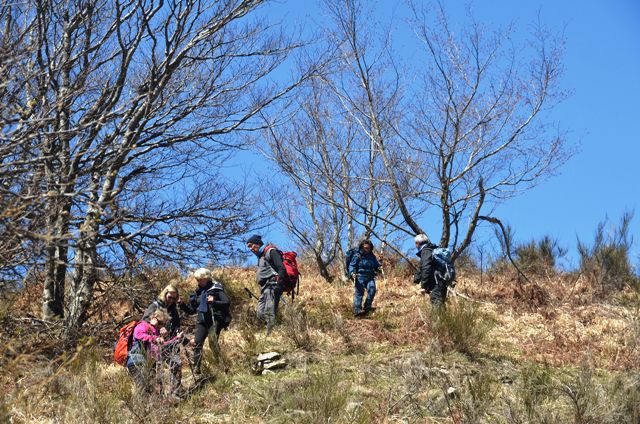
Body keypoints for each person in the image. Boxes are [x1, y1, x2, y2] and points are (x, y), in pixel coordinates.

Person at [181, 268, 231, 377]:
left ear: (207, 278)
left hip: (215, 319)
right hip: (202, 320)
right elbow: (192, 310)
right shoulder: (198, 292)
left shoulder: (216, 289)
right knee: (197, 343)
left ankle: (221, 364)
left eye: (201, 279)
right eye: (197, 280)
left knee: (212, 341)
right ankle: (196, 368)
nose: (199, 282)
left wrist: (214, 302)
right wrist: (182, 305)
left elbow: (227, 302)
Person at [142, 282, 186, 396]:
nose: (171, 300)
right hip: (155, 343)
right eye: (170, 297)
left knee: (176, 364)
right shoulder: (155, 306)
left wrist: (183, 339)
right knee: (155, 369)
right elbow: (144, 321)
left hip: (171, 342)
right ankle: (156, 396)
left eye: (174, 298)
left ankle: (176, 393)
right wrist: (159, 327)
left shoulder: (173, 308)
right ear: (165, 294)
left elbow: (176, 325)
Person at [246, 234, 287, 332]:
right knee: (260, 313)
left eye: (251, 245)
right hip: (264, 289)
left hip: (273, 285)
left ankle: (271, 334)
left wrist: (279, 285)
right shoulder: (261, 256)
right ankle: (273, 327)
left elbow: (282, 268)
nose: (250, 248)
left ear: (257, 244)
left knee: (269, 312)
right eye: (248, 247)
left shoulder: (271, 251)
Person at [127, 309, 170, 393]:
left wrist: (177, 338)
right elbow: (138, 335)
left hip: (146, 363)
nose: (161, 326)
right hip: (135, 361)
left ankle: (148, 405)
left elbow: (162, 344)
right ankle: (138, 405)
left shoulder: (154, 332)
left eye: (164, 324)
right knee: (142, 387)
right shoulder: (143, 325)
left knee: (149, 389)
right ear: (154, 318)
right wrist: (155, 338)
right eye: (160, 323)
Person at [348, 239, 381, 316]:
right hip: (360, 277)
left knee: (372, 289)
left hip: (370, 277)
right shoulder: (357, 255)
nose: (367, 249)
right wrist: (352, 272)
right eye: (365, 248)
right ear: (362, 247)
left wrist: (379, 267)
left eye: (368, 248)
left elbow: (376, 265)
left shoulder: (372, 256)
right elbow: (352, 265)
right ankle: (357, 310)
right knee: (359, 292)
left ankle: (367, 307)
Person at [413, 233, 447, 307]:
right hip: (442, 281)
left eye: (415, 243)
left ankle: (438, 318)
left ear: (418, 243)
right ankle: (444, 318)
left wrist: (423, 286)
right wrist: (417, 278)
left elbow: (426, 267)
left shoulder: (426, 251)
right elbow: (422, 267)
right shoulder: (431, 250)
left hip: (435, 282)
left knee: (436, 304)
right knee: (440, 304)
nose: (415, 246)